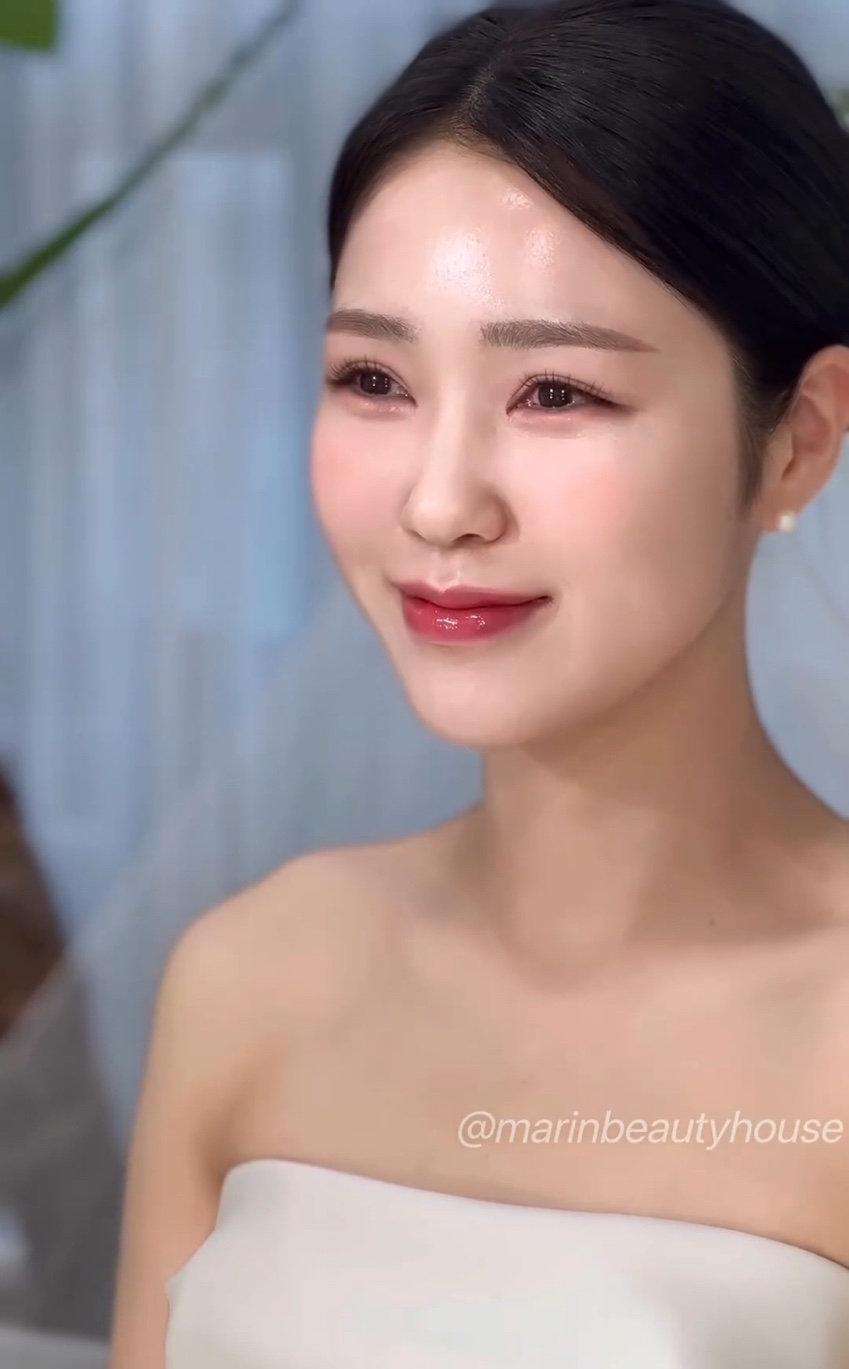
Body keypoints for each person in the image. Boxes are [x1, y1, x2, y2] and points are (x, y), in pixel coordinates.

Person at [108, 0, 849, 1364]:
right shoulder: (247, 976)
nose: (439, 503)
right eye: (373, 377)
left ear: (798, 440)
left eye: (555, 393)